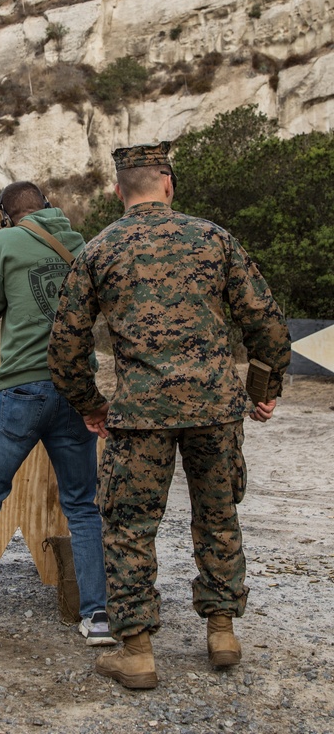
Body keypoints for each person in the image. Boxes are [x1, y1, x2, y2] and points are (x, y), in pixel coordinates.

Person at [47, 142, 291, 690]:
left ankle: (136, 652)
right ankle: (222, 631)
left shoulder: (99, 249)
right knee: (218, 515)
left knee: (130, 526)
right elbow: (267, 322)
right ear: (169, 184)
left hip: (139, 417)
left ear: (118, 191)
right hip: (215, 410)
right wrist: (262, 388)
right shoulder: (213, 239)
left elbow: (64, 343)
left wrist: (91, 404)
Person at [0, 181, 114, 646]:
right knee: (82, 506)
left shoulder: (3, 242)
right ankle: (97, 617)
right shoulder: (80, 243)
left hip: (23, 388)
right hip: (75, 390)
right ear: (48, 208)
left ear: (6, 215)